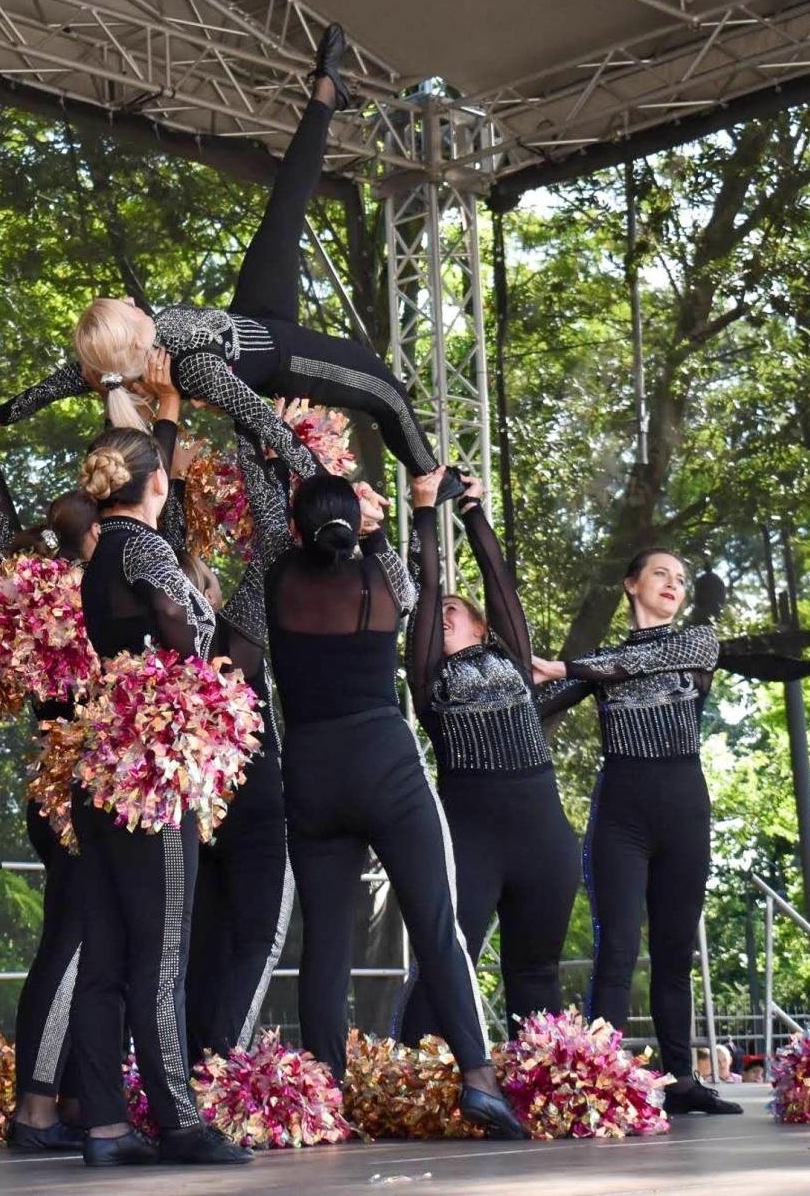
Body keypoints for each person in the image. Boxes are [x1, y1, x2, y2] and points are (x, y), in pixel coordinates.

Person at [0, 24, 464, 504]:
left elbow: (52, 386)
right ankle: (431, 474)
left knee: (285, 205)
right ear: (137, 338)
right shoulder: (192, 370)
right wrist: (329, 490)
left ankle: (327, 91)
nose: (136, 300)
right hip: (285, 356)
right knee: (383, 386)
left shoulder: (114, 362)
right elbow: (267, 426)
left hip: (254, 315)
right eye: (129, 308)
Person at [255, 465, 527, 1138]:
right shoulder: (380, 579)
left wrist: (272, 454)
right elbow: (427, 587)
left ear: (296, 528)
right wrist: (422, 510)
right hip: (384, 763)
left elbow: (270, 510)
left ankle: (322, 1100)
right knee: (436, 922)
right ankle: (479, 1078)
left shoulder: (276, 578)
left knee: (324, 942)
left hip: (311, 772)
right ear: (357, 527)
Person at [63, 428, 252, 1166]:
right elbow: (180, 621)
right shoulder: (143, 548)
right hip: (150, 762)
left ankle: (106, 1127)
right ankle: (180, 1122)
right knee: (163, 951)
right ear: (157, 487)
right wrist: (203, 663)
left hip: (102, 757)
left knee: (106, 953)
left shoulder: (99, 549)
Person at [533, 549, 743, 1116]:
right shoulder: (603, 662)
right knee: (618, 947)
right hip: (622, 816)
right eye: (660, 574)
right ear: (631, 585)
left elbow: (635, 662)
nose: (673, 584)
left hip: (684, 813)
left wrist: (566, 667)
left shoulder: (695, 642)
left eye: (680, 578)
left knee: (675, 954)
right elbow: (540, 701)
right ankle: (598, 1078)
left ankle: (680, 1080)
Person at [394, 472, 581, 1043]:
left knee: (537, 972)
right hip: (472, 839)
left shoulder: (513, 661)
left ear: (481, 625)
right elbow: (423, 594)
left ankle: (542, 1083)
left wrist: (474, 513)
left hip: (545, 838)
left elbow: (500, 582)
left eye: (457, 609)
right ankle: (415, 1081)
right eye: (439, 612)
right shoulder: (430, 676)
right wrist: (426, 513)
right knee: (448, 962)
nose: (444, 613)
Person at [0, 422, 102, 1151]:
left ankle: (77, 1094)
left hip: (71, 789)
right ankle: (38, 1107)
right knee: (71, 942)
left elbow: (3, 534)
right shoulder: (77, 600)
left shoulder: (43, 592)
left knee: (89, 944)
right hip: (72, 790)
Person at [162, 432, 293, 1059]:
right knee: (258, 937)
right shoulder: (233, 639)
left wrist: (180, 481)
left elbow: (165, 551)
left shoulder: (165, 641)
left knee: (201, 938)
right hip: (255, 796)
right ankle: (226, 1070)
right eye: (211, 584)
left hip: (194, 800)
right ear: (208, 598)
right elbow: (271, 551)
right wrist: (259, 447)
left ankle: (187, 1069)